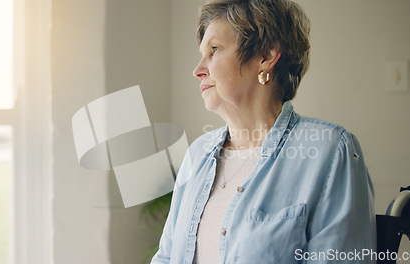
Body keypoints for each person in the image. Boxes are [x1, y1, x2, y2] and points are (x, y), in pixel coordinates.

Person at [151, 0, 376, 263]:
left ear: (266, 57)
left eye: (214, 49)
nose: (198, 70)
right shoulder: (197, 154)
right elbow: (166, 257)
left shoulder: (330, 151)